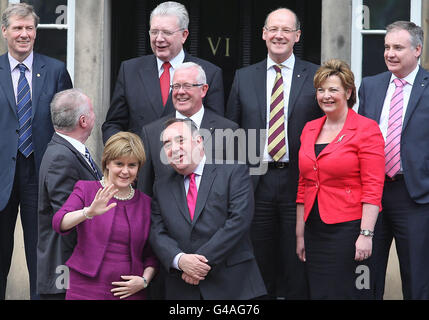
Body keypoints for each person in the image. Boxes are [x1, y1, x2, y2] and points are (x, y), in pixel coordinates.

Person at [225, 7, 323, 299]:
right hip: (257, 183)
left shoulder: (315, 76)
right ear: (264, 34)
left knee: (297, 262)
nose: (279, 35)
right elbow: (233, 135)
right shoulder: (244, 77)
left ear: (297, 36)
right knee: (259, 260)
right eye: (274, 29)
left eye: (286, 30)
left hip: (300, 182)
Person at [0, 3, 73, 300]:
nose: (24, 34)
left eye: (29, 28)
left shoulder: (55, 71)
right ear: (5, 31)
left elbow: (68, 125)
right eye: (17, 28)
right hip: (2, 174)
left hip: (42, 175)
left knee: (42, 254)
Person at [295, 59, 385, 299]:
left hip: (350, 230)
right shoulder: (310, 129)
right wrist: (300, 234)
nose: (326, 96)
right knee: (320, 293)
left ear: (348, 92)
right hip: (315, 230)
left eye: (333, 89)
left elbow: (373, 187)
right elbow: (303, 183)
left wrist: (365, 235)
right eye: (321, 90)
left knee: (354, 292)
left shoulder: (367, 129)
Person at [149, 118, 266, 299]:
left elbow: (239, 221)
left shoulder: (233, 171)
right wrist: (180, 260)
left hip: (234, 286)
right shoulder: (161, 187)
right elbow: (157, 232)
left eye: (180, 140)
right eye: (167, 144)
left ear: (198, 141)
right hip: (183, 290)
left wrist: (197, 264)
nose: (173, 148)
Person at [358, 21, 429, 300]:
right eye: (387, 47)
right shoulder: (370, 86)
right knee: (365, 275)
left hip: (415, 197)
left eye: (398, 47)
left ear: (417, 50)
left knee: (417, 279)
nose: (390, 53)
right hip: (373, 195)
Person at [52, 132, 158, 300]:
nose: (125, 171)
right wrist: (88, 212)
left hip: (129, 292)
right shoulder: (86, 190)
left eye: (132, 165)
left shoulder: (146, 203)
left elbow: (151, 255)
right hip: (85, 288)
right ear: (107, 163)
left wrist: (144, 281)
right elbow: (59, 222)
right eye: (119, 164)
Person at [102, 1, 224, 143]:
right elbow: (113, 124)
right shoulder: (130, 70)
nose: (159, 39)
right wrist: (124, 154)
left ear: (184, 35)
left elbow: (215, 128)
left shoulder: (209, 73)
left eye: (166, 32)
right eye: (154, 32)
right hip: (141, 161)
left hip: (186, 161)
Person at [37, 89, 102, 300]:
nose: (94, 116)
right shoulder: (61, 157)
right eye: (92, 111)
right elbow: (65, 217)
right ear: (83, 121)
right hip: (65, 273)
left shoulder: (69, 150)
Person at [138, 62, 238, 197]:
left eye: (187, 86)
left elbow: (236, 187)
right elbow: (145, 191)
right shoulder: (151, 133)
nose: (180, 92)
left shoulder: (228, 130)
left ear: (203, 89)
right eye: (176, 86)